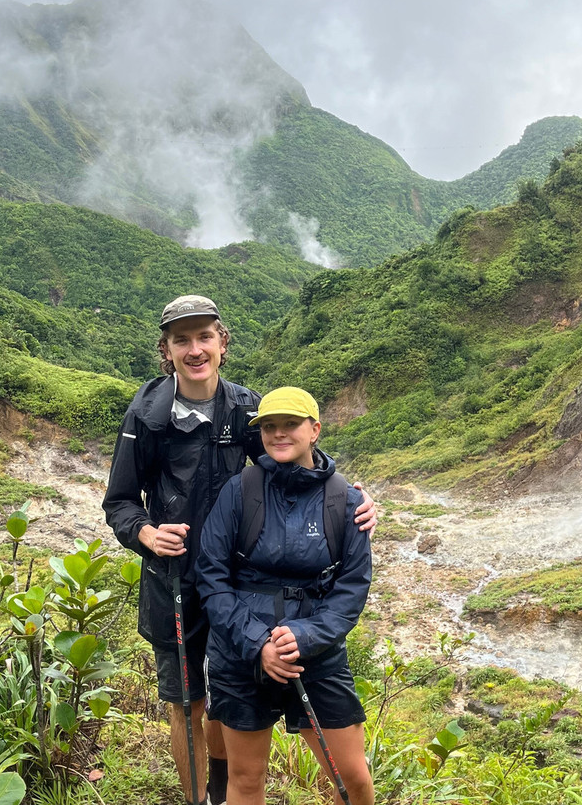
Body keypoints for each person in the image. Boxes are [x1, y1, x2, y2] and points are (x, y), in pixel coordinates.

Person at [103, 297, 376, 805]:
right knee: (188, 703)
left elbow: (288, 460)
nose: (194, 350)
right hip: (176, 577)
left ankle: (224, 786)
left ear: (222, 343)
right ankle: (200, 799)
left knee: (224, 698)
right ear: (166, 349)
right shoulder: (146, 413)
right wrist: (145, 534)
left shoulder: (247, 408)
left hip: (243, 584)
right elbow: (118, 501)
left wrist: (347, 496)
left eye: (204, 337)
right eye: (181, 340)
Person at [197, 387, 375, 805]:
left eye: (291, 424)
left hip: (317, 654)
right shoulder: (240, 491)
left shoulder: (346, 500)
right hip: (240, 652)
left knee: (354, 780)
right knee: (246, 778)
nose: (279, 433)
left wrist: (306, 637)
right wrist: (257, 644)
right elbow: (212, 576)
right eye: (269, 426)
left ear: (315, 430)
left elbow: (352, 587)